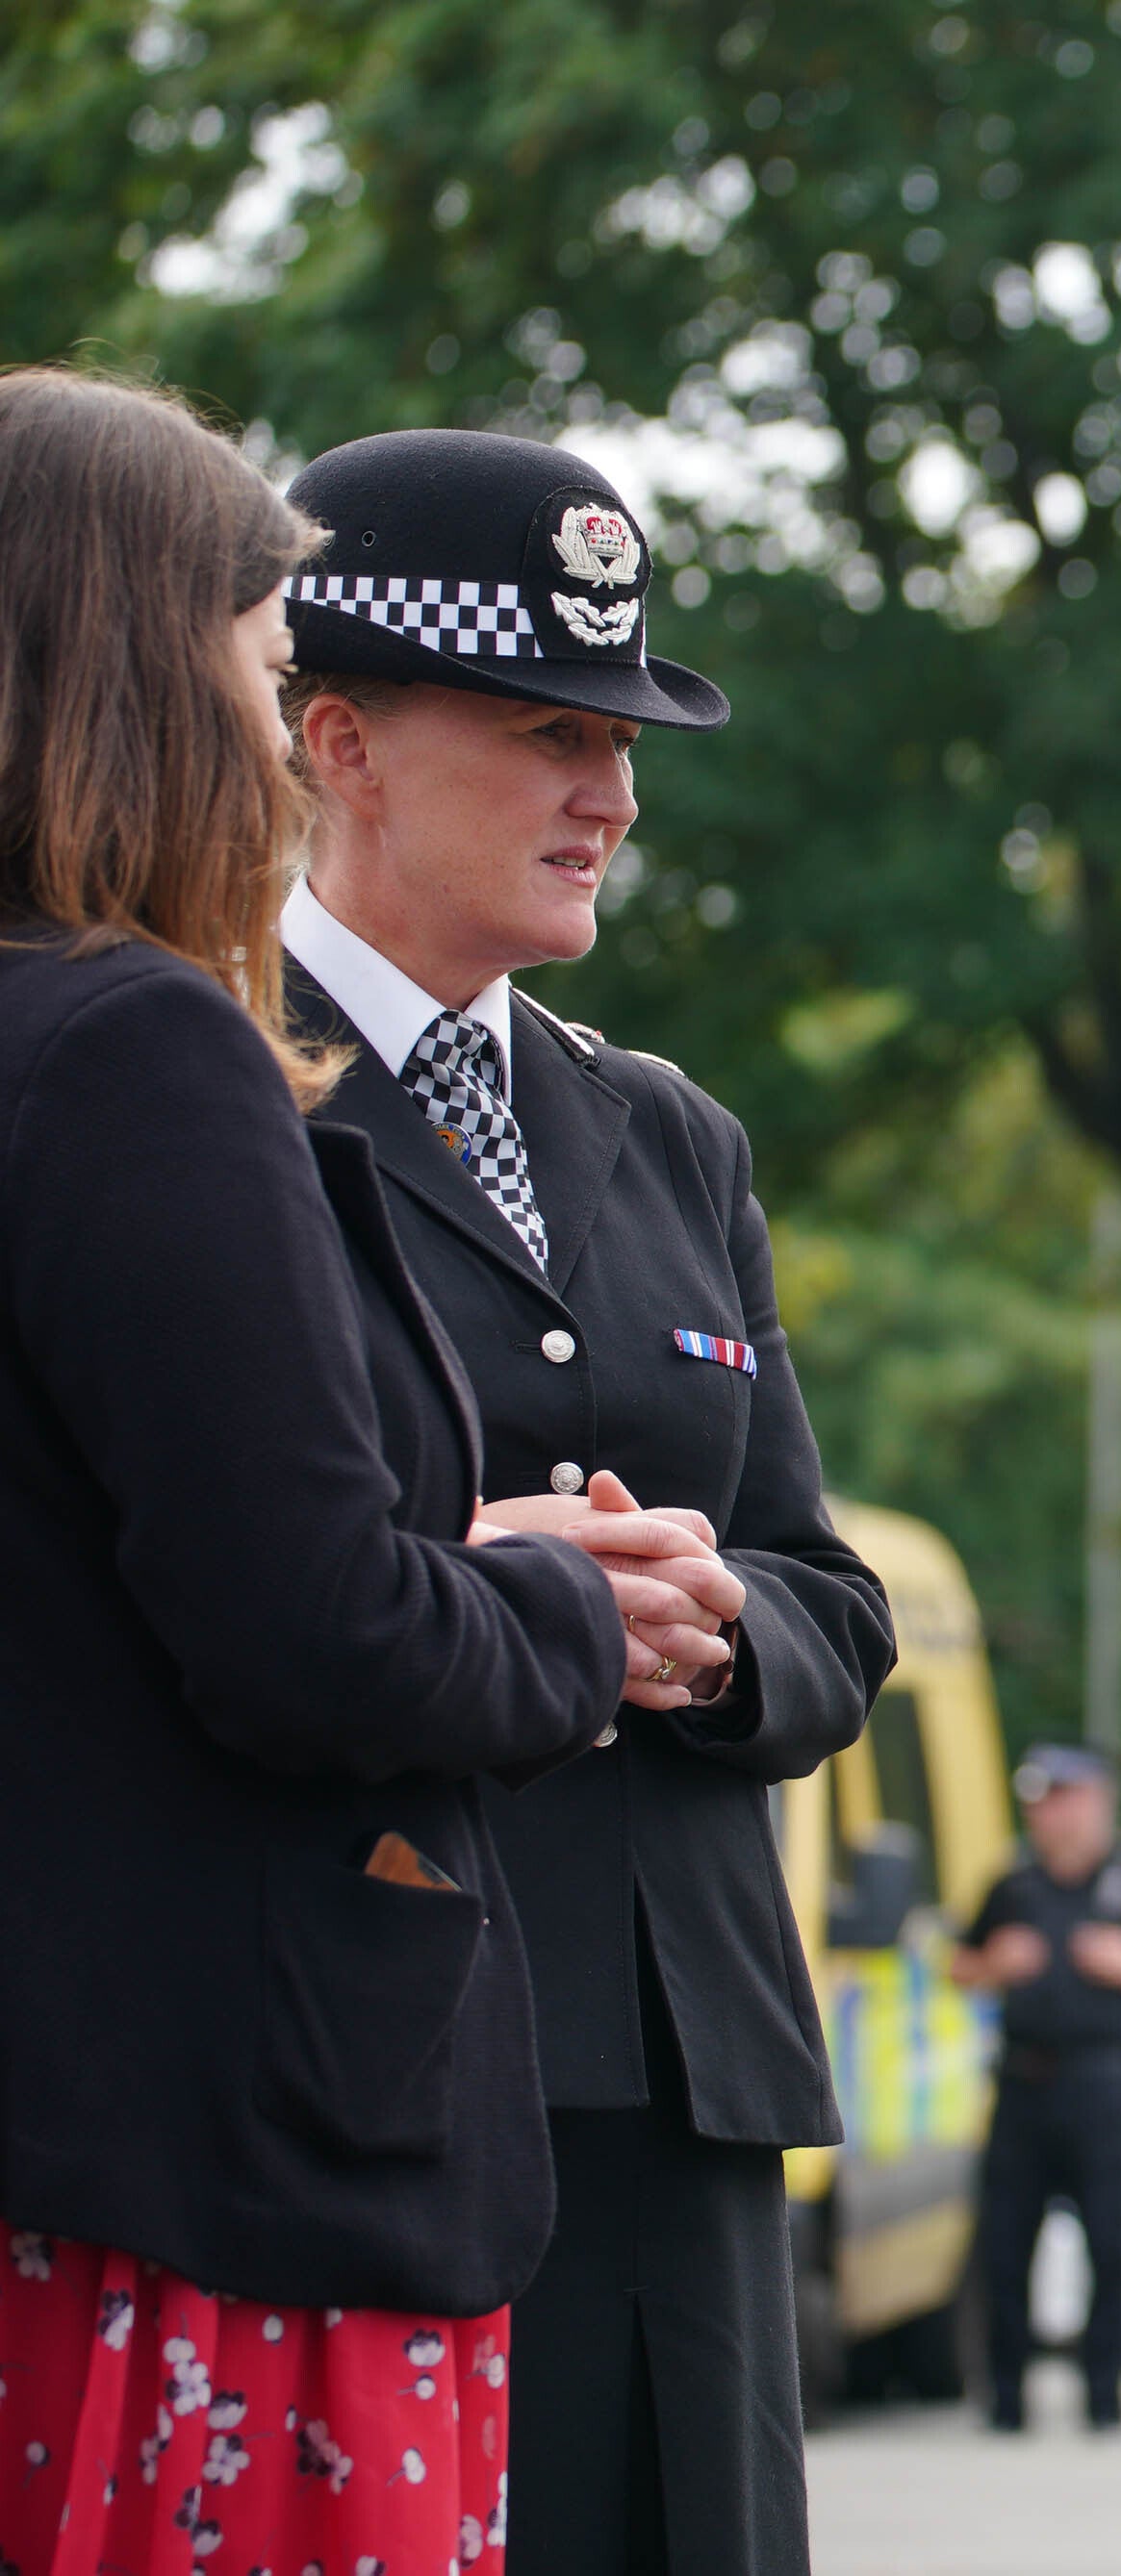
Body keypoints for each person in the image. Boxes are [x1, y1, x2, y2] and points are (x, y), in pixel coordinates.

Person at [0, 368, 671, 2576]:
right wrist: (549, 1597)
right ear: (142, 671)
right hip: (218, 2174)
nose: (263, 713)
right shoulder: (140, 1044)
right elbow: (313, 1634)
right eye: (252, 656)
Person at [275, 428, 899, 2576]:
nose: (610, 793)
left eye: (619, 736)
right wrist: (489, 1600)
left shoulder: (663, 1134)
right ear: (340, 741)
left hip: (681, 2066)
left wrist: (711, 1620)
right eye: (550, 730)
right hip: (363, 2044)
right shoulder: (187, 1077)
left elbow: (832, 1596)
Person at [953, 1745, 1121, 2432]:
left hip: (1102, 2083)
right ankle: (1006, 2399)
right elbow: (958, 1962)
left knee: (1110, 2243)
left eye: (1060, 1798)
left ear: (1094, 1800)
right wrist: (991, 1964)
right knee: (1005, 2245)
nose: (1047, 1814)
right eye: (1037, 1802)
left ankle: (1104, 2397)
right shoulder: (1014, 1886)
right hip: (1022, 2083)